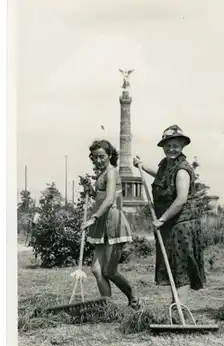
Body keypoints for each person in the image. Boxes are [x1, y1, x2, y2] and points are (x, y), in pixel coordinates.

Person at [133, 125, 205, 306]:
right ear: (163, 146)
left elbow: (180, 200)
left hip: (182, 224)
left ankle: (180, 309)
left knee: (182, 268)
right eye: (168, 145)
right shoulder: (166, 165)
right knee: (173, 266)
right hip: (169, 225)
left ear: (182, 146)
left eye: (176, 145)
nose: (172, 149)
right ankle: (176, 308)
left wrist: (162, 219)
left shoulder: (182, 169)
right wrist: (141, 166)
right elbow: (160, 175)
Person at [81, 139, 140, 309]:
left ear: (110, 155)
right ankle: (108, 307)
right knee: (96, 270)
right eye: (95, 157)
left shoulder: (112, 172)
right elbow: (101, 197)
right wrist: (91, 192)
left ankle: (133, 296)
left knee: (109, 271)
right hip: (102, 224)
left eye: (101, 156)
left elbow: (109, 199)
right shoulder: (101, 174)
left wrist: (93, 218)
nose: (98, 160)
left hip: (113, 222)